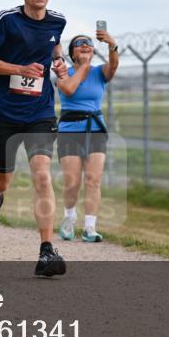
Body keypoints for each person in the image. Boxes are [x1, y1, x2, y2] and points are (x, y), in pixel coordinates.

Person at [0, 0, 69, 277]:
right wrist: (19, 69)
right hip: (4, 115)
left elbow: (54, 45)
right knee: (2, 180)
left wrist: (58, 62)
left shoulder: (58, 20)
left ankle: (47, 250)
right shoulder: (6, 20)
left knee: (42, 175)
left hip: (40, 114)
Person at [56, 29, 119, 242]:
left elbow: (114, 67)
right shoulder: (63, 72)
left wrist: (112, 45)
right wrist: (82, 66)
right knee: (72, 181)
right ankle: (69, 218)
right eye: (80, 43)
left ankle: (90, 227)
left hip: (95, 130)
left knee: (93, 180)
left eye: (89, 43)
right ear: (72, 53)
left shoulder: (100, 72)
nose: (85, 45)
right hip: (70, 131)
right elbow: (70, 90)